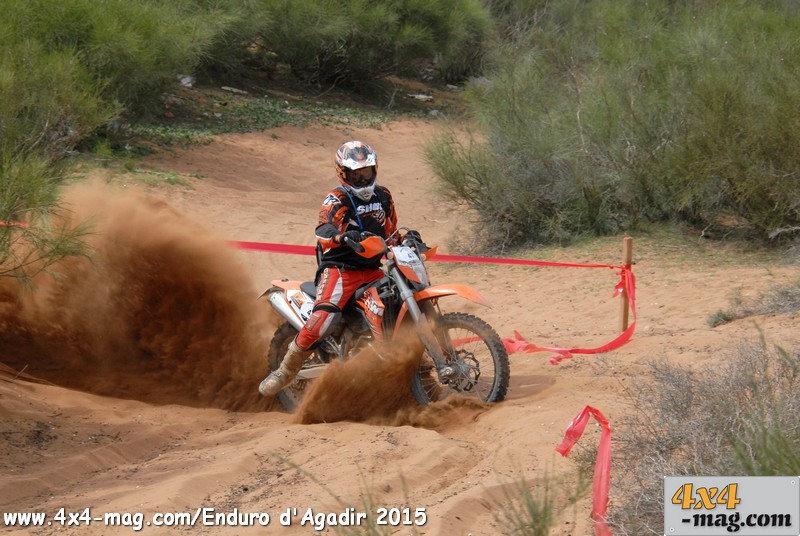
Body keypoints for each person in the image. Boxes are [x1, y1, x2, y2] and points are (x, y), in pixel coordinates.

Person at [259, 140, 400, 397]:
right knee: (323, 319)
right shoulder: (335, 199)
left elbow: (390, 233)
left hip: (373, 269)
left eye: (366, 172)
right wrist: (342, 237)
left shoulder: (383, 196)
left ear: (374, 169)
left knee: (397, 300)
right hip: (340, 269)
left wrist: (408, 239)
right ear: (343, 174)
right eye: (355, 174)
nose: (361, 178)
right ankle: (284, 372)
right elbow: (323, 229)